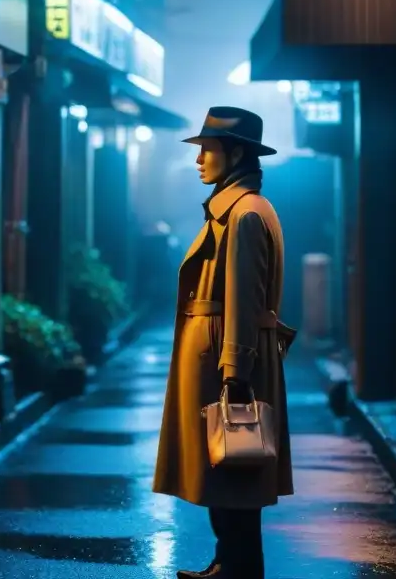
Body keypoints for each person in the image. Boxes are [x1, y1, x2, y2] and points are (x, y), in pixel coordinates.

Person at [153, 106, 293, 579]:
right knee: (227, 469)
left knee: (233, 466)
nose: (199, 160)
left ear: (235, 154)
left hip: (224, 356)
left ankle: (234, 567)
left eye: (207, 151)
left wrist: (235, 371)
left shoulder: (244, 214)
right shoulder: (238, 208)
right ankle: (229, 563)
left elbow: (242, 300)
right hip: (221, 353)